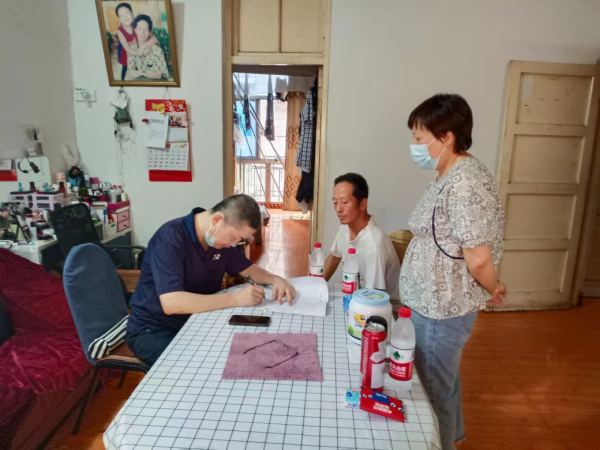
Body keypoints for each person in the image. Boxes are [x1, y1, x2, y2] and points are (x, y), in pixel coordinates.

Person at [399, 94, 506, 450]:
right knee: (442, 380)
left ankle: (442, 444)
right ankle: (454, 439)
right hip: (431, 305)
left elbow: (478, 257)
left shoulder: (465, 183)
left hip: (441, 309)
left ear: (446, 137)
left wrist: (494, 286)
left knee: (434, 389)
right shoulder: (449, 174)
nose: (414, 146)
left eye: (419, 138)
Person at [125, 195, 296, 366]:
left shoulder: (221, 241)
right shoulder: (170, 239)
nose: (234, 244)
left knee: (245, 353)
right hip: (154, 329)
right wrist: (236, 299)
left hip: (196, 319)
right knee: (202, 366)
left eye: (240, 240)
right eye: (234, 237)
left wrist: (275, 279)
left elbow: (247, 269)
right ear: (217, 220)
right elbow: (172, 303)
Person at [323, 173, 401, 312]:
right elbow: (334, 257)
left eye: (344, 202)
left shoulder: (374, 244)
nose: (338, 209)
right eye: (335, 202)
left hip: (385, 311)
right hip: (358, 298)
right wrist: (314, 288)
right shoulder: (346, 227)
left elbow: (373, 297)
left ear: (363, 204)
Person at [114, 3, 158, 81]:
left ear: (132, 13)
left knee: (141, 74)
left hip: (139, 57)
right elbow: (128, 49)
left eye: (127, 13)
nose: (125, 17)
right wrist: (139, 53)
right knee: (125, 75)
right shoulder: (120, 31)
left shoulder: (138, 24)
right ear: (119, 19)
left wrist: (144, 47)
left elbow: (154, 39)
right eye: (122, 15)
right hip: (126, 58)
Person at [125, 14, 169, 81]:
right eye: (139, 29)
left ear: (150, 32)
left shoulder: (156, 49)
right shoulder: (132, 48)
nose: (142, 33)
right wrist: (143, 73)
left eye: (145, 30)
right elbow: (130, 73)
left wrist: (141, 73)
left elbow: (159, 75)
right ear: (135, 30)